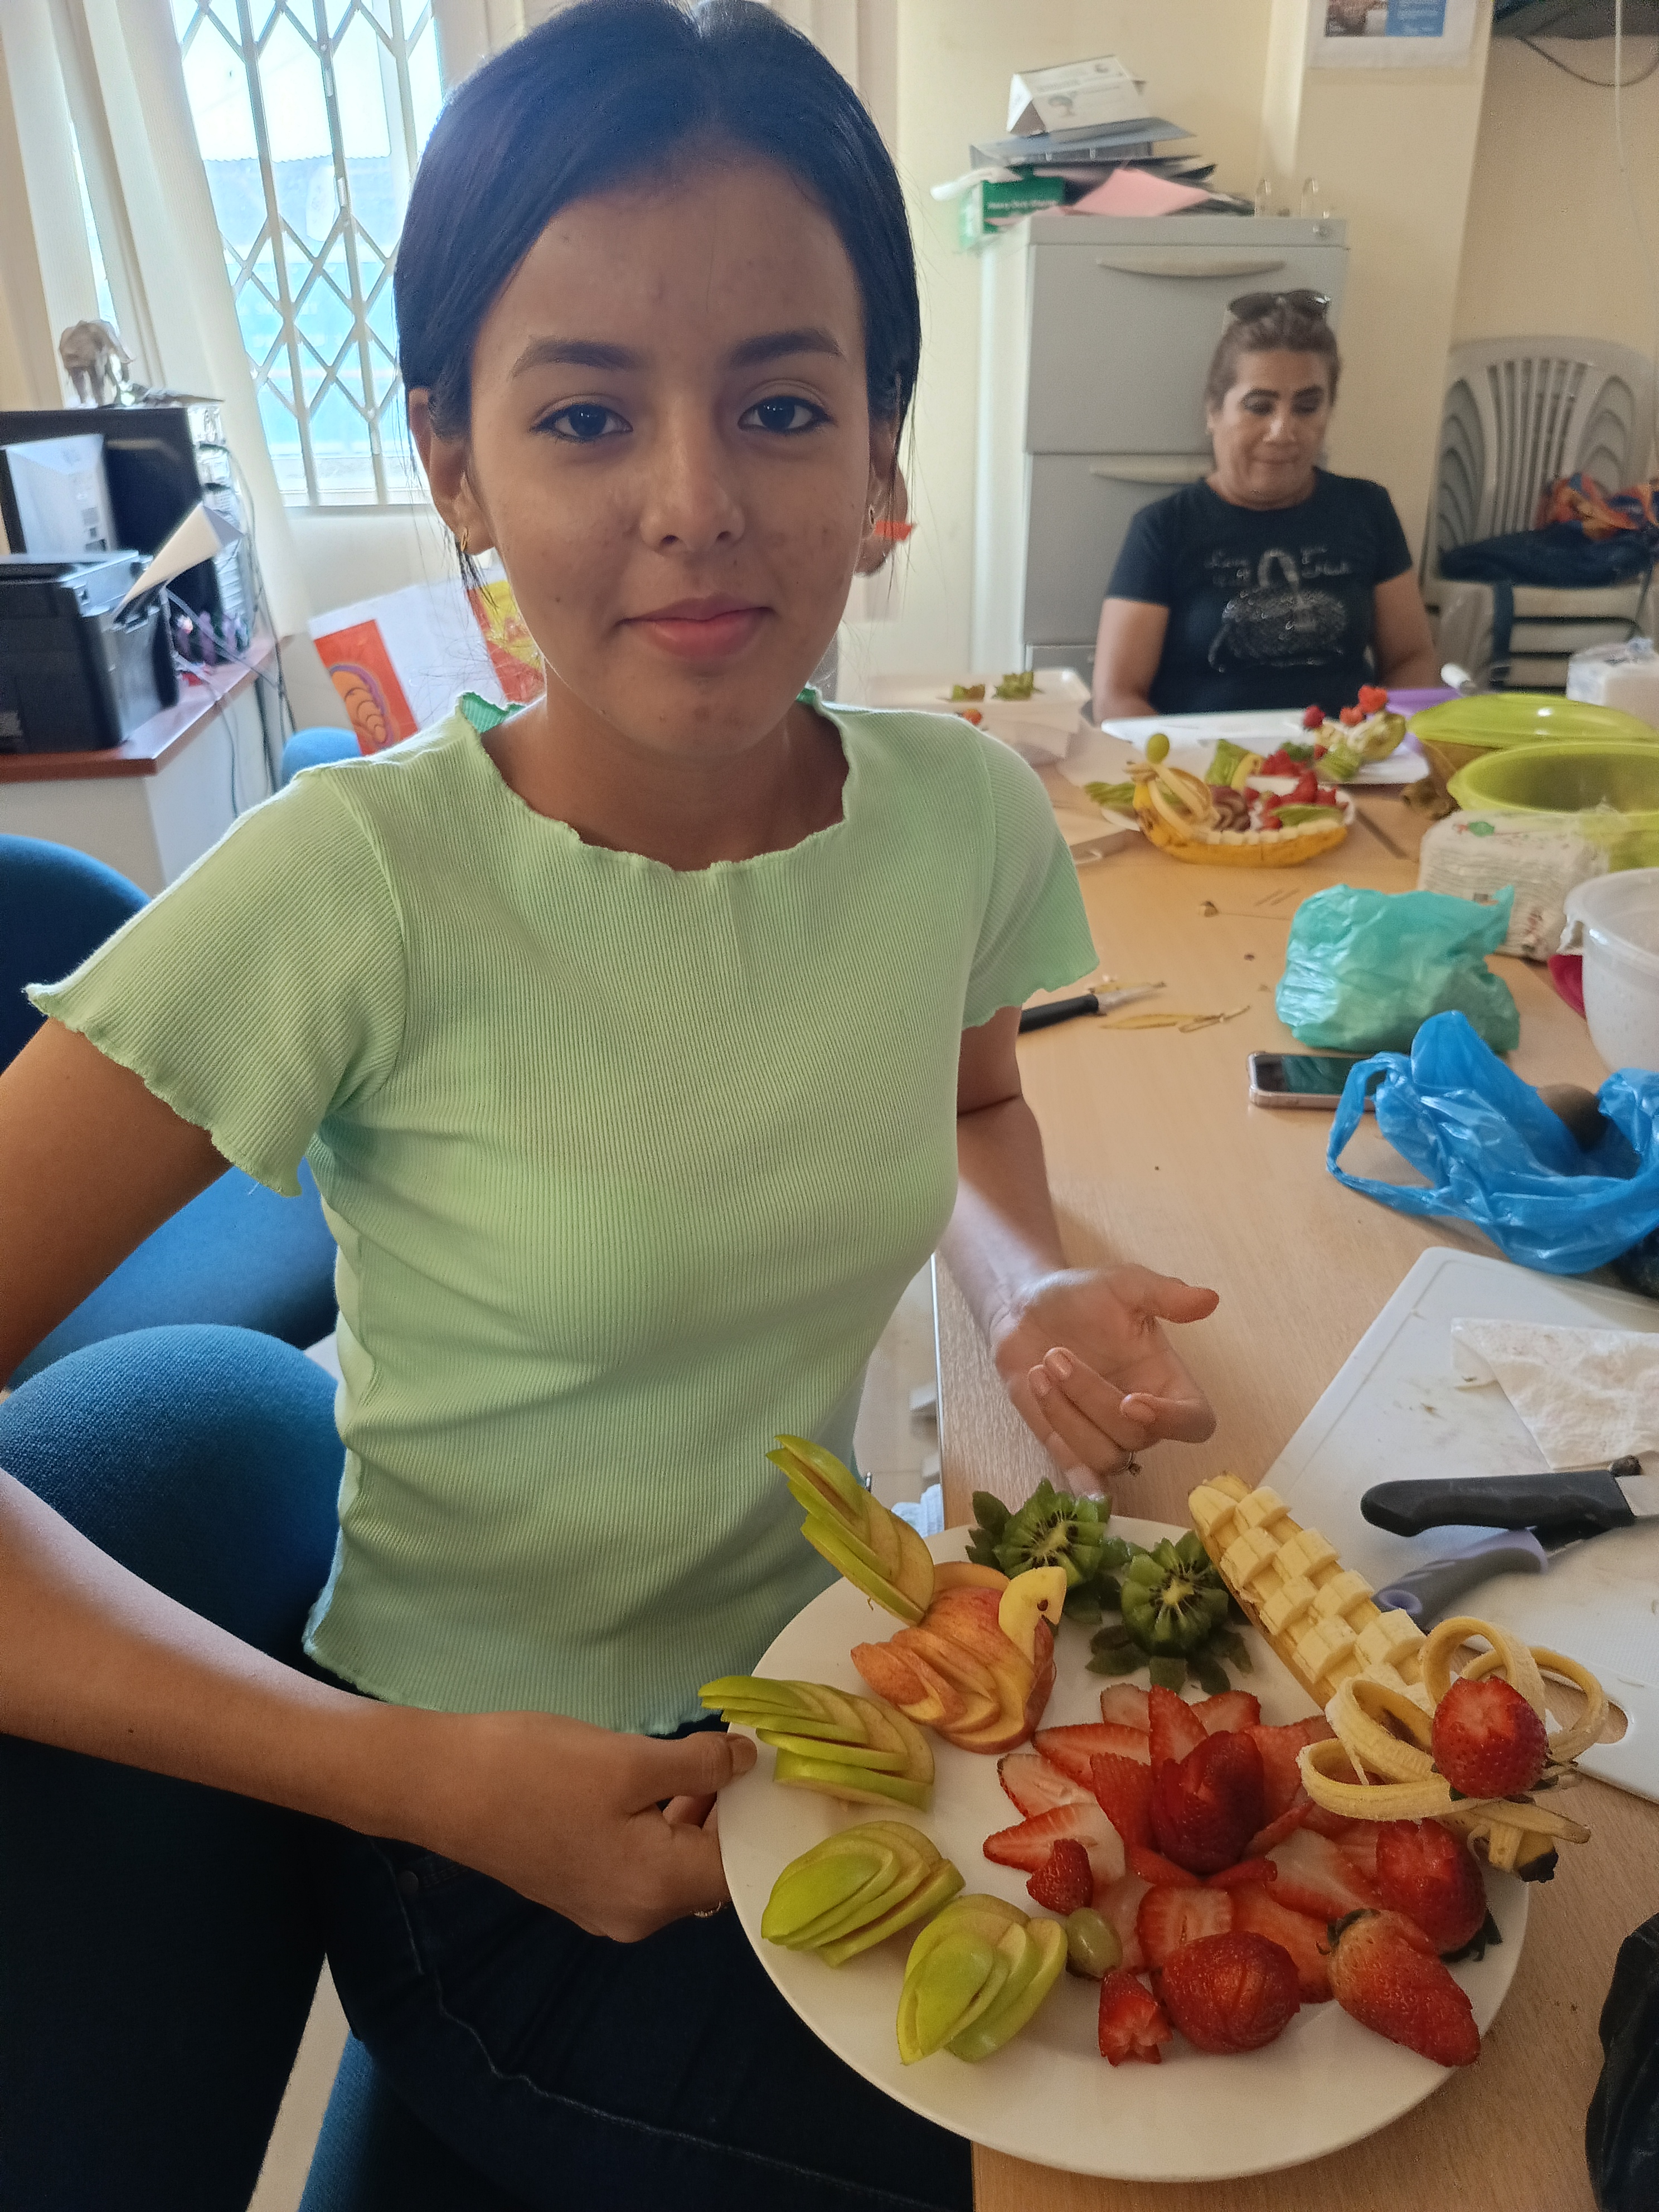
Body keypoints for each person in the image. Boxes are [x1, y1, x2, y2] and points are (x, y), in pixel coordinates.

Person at [0, 4, 1220, 2206]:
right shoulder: (353, 885)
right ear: (455, 461)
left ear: (881, 449)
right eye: (583, 413)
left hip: (831, 1714)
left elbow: (966, 1112)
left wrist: (1028, 1278)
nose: (696, 503)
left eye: (782, 403)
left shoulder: (954, 814)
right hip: (494, 1853)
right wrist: (409, 1776)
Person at [1092, 290, 1438, 723]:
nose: (1283, 430)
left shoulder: (1368, 510)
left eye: (1307, 407)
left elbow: (1411, 658)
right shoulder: (1163, 528)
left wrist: (1378, 737)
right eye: (1259, 407)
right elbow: (1117, 697)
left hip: (1345, 757)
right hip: (1206, 760)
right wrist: (1186, 761)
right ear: (1214, 412)